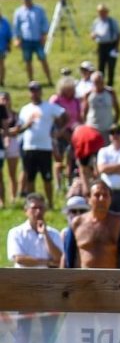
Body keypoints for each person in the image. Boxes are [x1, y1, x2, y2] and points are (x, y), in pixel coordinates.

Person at [15, 80, 66, 208]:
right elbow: (19, 128)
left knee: (47, 177)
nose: (34, 93)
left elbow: (64, 114)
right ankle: (31, 204)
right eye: (32, 91)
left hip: (45, 147)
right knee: (30, 177)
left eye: (37, 90)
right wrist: (27, 125)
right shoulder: (25, 109)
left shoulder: (48, 107)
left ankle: (50, 203)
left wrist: (60, 130)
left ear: (40, 92)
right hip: (29, 147)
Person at [7, 193, 61, 268]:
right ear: (26, 211)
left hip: (48, 278)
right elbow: (19, 258)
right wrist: (48, 262)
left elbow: (59, 258)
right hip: (24, 278)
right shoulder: (16, 233)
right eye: (34, 208)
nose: (38, 211)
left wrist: (45, 235)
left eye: (41, 208)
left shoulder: (54, 233)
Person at [12, 0, 52, 86]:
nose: (27, 1)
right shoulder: (19, 12)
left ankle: (49, 79)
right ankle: (31, 81)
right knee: (28, 61)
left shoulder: (39, 10)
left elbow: (44, 23)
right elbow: (16, 26)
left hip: (37, 39)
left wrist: (44, 35)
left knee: (43, 59)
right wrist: (17, 38)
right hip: (26, 40)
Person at [49, 76, 82, 193]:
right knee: (59, 159)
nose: (71, 92)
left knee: (71, 157)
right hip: (59, 132)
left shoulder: (76, 101)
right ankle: (58, 185)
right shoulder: (56, 100)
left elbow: (79, 117)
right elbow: (52, 116)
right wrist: (62, 131)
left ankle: (69, 182)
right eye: (69, 89)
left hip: (73, 132)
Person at [82, 71, 120, 141]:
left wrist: (114, 123)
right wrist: (85, 125)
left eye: (101, 82)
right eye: (96, 82)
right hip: (92, 128)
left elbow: (117, 110)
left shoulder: (110, 92)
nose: (99, 84)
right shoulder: (88, 94)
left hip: (107, 127)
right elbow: (84, 111)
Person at [90, 4, 120, 86]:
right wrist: (93, 36)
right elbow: (92, 32)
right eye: (100, 12)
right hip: (101, 45)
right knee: (101, 66)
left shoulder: (112, 21)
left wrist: (117, 47)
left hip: (111, 45)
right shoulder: (96, 22)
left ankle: (110, 83)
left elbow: (118, 34)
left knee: (111, 65)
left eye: (103, 12)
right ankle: (100, 83)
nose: (102, 14)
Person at [0, 5, 11, 87]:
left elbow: (8, 35)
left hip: (2, 47)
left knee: (1, 64)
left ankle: (1, 80)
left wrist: (8, 45)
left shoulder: (5, 22)